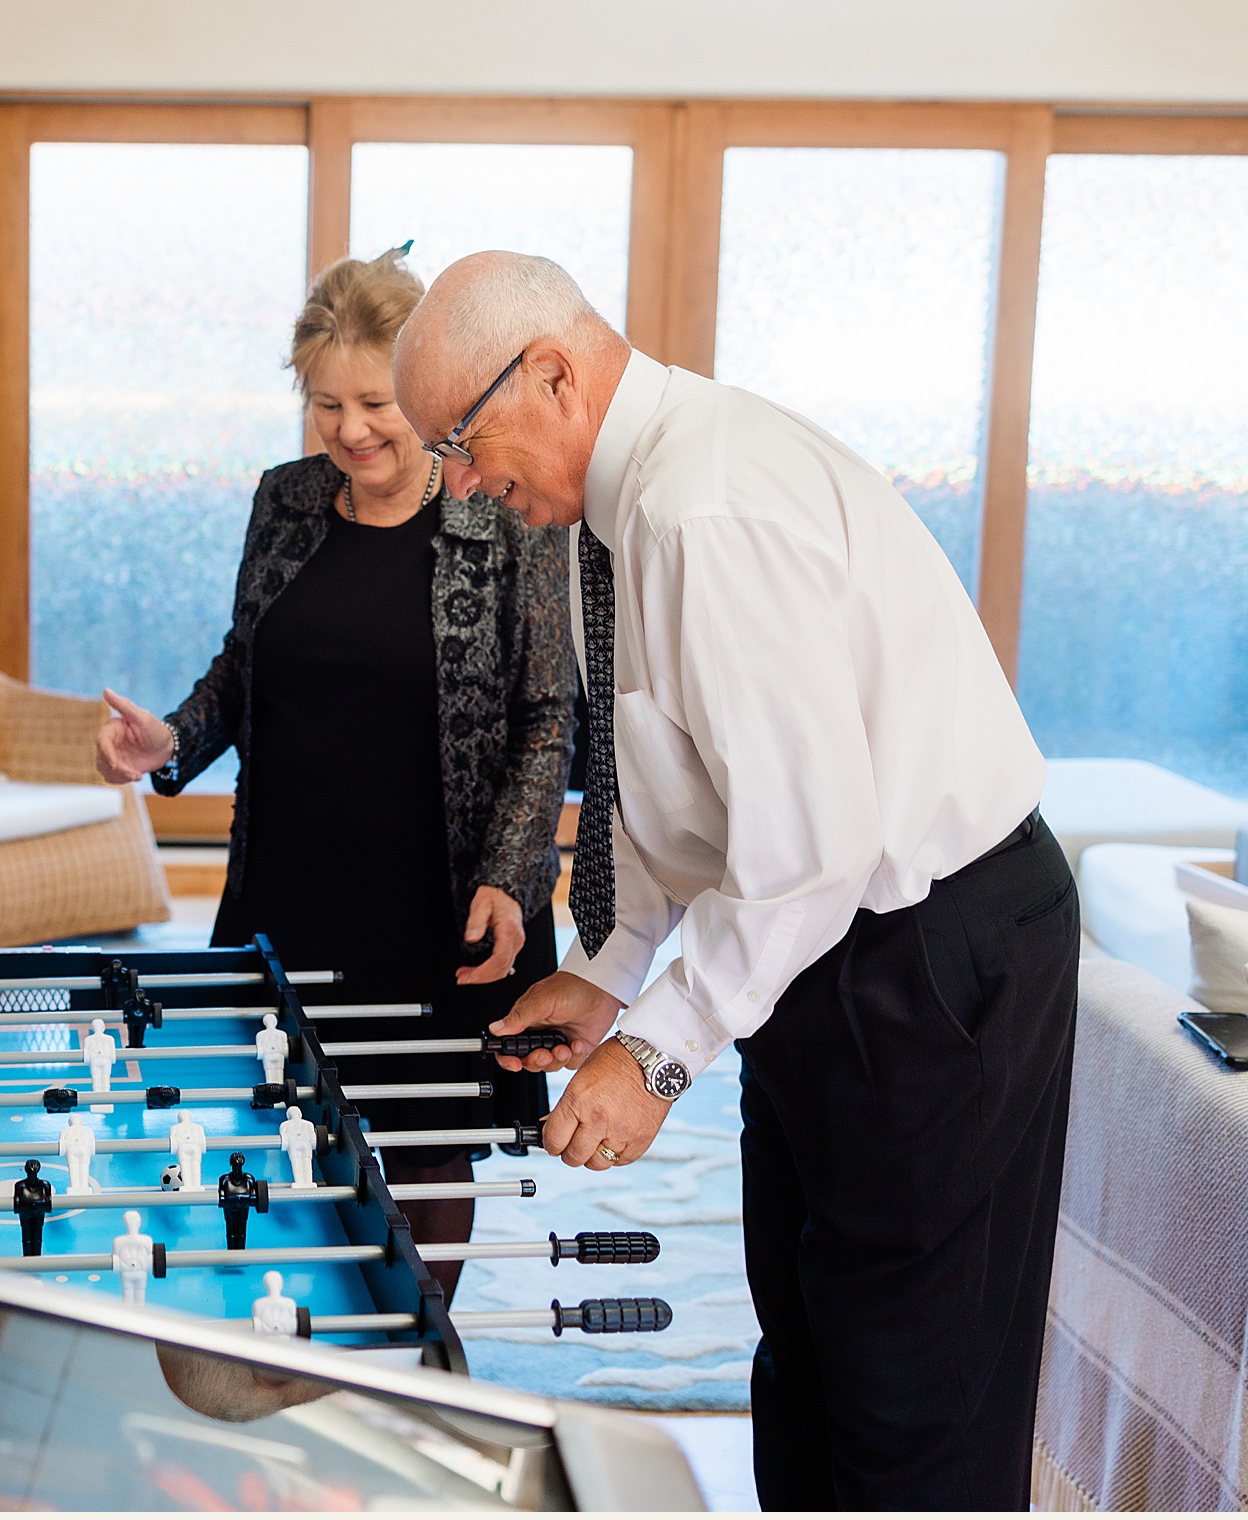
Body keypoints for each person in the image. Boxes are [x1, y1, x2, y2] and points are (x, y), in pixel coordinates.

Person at [390, 251, 1074, 1510]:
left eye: (466, 443)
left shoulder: (701, 507)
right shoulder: (621, 507)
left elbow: (809, 841)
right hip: (821, 946)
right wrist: (608, 976)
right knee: (806, 1345)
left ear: (550, 371)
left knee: (909, 1388)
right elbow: (677, 781)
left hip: (929, 952)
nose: (468, 486)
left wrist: (653, 1055)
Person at [96, 246, 578, 1293]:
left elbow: (548, 714)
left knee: (425, 1138)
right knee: (280, 1118)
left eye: (374, 401)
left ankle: (414, 1357)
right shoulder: (286, 500)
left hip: (443, 895)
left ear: (420, 389)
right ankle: (292, 1331)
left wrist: (509, 869)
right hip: (293, 881)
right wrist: (173, 740)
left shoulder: (497, 512)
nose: (351, 429)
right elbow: (245, 664)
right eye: (326, 404)